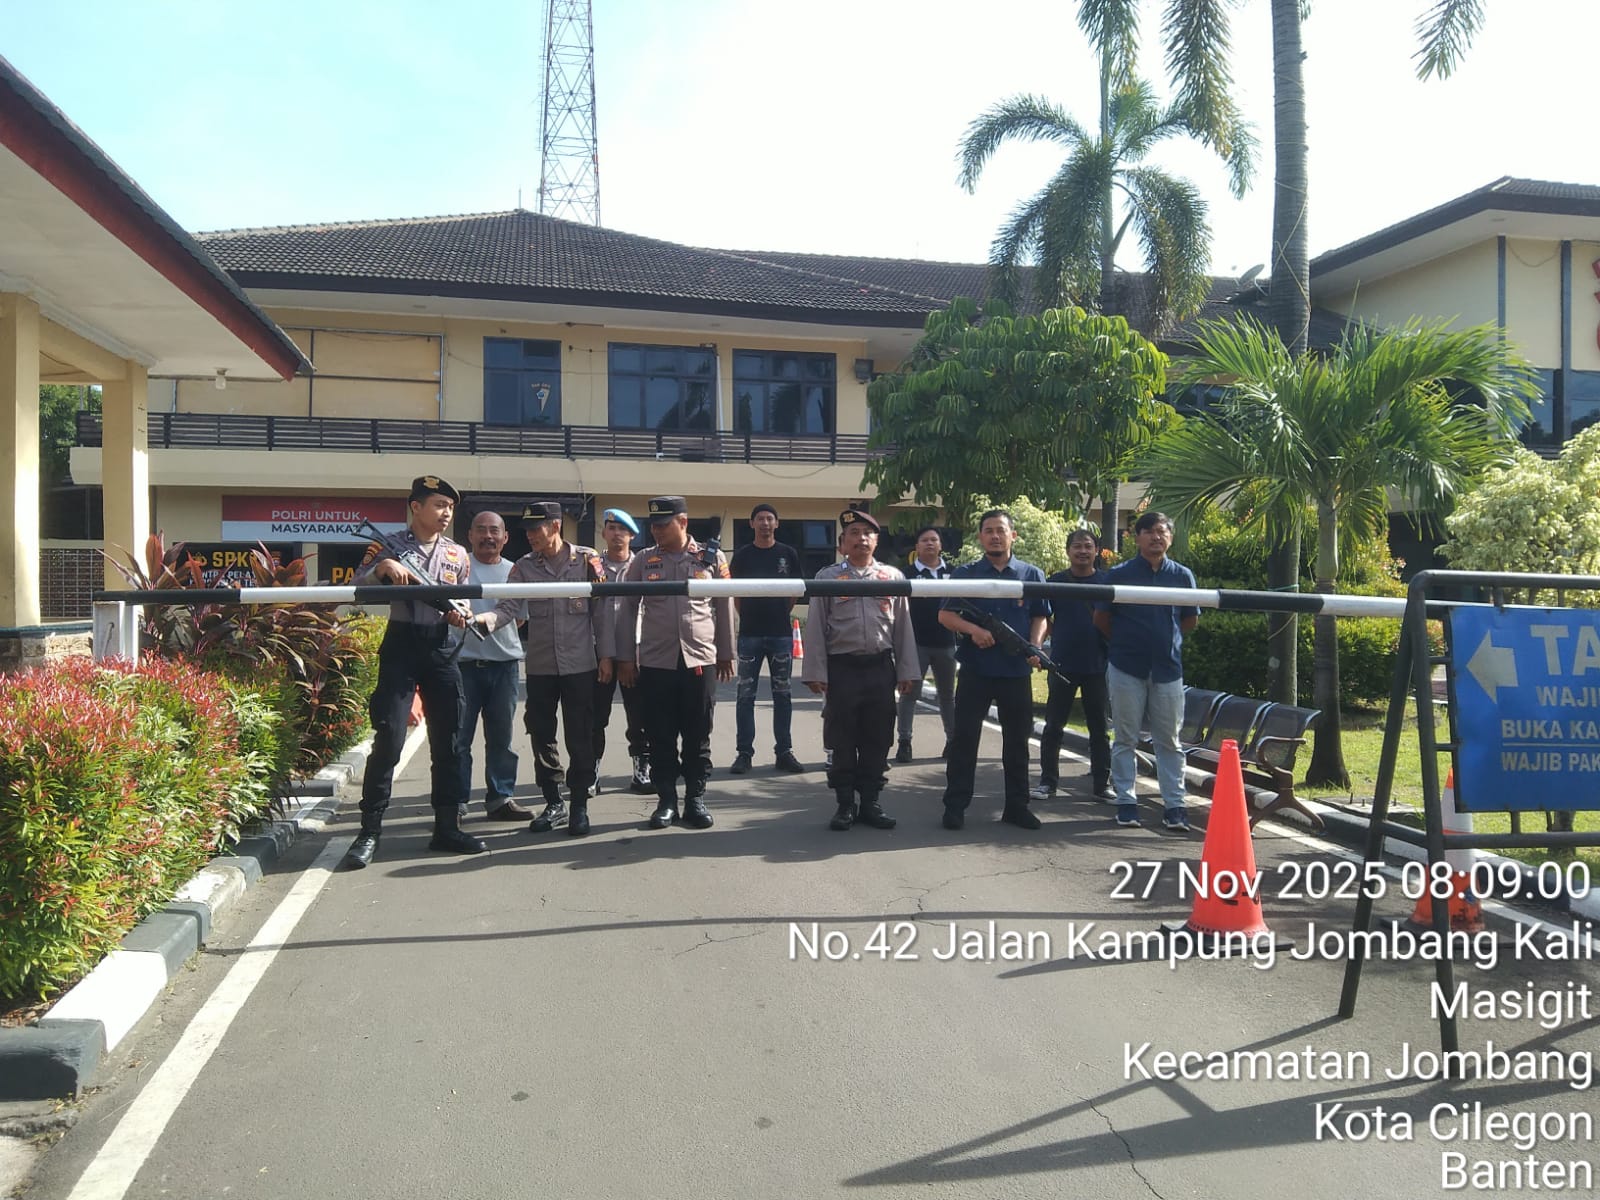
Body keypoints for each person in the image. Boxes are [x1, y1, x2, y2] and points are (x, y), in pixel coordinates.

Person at [343, 474, 484, 869]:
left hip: (441, 646)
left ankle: (447, 826)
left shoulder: (457, 554)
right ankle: (369, 831)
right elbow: (358, 585)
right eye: (439, 505)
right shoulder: (386, 545)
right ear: (416, 507)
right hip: (402, 644)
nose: (446, 513)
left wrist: (462, 612)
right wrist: (382, 569)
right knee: (389, 737)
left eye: (450, 507)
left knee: (450, 740)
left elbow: (464, 598)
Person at [475, 501, 610, 837]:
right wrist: (485, 620)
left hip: (580, 665)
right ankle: (553, 801)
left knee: (580, 736)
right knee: (541, 734)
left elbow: (602, 613)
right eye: (527, 531)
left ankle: (579, 805)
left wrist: (607, 657)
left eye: (537, 529)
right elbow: (508, 607)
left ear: (556, 527)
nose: (531, 536)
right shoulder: (524, 566)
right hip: (540, 667)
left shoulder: (587, 560)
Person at [609, 496, 734, 830]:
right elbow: (627, 608)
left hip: (699, 658)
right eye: (653, 526)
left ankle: (695, 798)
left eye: (663, 525)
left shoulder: (710, 557)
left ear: (683, 522)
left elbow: (724, 604)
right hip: (656, 661)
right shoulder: (644, 560)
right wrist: (626, 658)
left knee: (698, 734)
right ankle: (666, 800)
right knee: (660, 735)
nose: (657, 531)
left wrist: (726, 652)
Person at [802, 508, 920, 831]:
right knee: (841, 737)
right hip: (842, 669)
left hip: (880, 668)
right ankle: (844, 804)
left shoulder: (891, 578)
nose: (861, 539)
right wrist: (815, 672)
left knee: (878, 737)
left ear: (876, 541)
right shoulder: (827, 578)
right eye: (854, 533)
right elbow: (816, 628)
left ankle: (870, 802)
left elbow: (903, 628)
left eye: (867, 533)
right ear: (843, 543)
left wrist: (907, 670)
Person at [937, 509, 1050, 831]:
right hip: (976, 669)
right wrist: (974, 630)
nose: (995, 536)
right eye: (988, 530)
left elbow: (1041, 616)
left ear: (1013, 535)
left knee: (1017, 744)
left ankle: (1017, 807)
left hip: (1015, 672)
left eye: (1001, 530)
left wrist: (1034, 646)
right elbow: (945, 616)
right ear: (980, 537)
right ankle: (955, 806)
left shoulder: (1031, 574)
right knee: (964, 741)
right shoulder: (966, 574)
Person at [1094, 511, 1200, 832]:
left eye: (1162, 531)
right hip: (1126, 668)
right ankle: (1126, 802)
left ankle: (1175, 806)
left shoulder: (1182, 576)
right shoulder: (1119, 574)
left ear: (1170, 537)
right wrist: (1128, 643)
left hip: (1168, 670)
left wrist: (1163, 643)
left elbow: (1190, 620)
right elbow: (1101, 619)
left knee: (1169, 741)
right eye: (1150, 531)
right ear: (1137, 537)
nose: (1157, 537)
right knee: (1125, 737)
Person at [457, 509, 531, 821]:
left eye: (494, 530)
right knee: (458, 739)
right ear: (470, 535)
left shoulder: (515, 571)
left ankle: (500, 799)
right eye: (481, 529)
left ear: (505, 537)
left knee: (501, 739)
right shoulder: (458, 567)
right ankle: (455, 801)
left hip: (504, 666)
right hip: (463, 666)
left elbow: (520, 618)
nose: (488, 536)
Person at [1032, 528, 1114, 803]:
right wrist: (1050, 637)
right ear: (1068, 551)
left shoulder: (1106, 582)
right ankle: (1047, 782)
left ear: (1096, 551)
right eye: (1077, 546)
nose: (1082, 551)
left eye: (1088, 546)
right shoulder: (1056, 582)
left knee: (1099, 729)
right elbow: (1042, 616)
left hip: (1098, 665)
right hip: (1062, 664)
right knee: (1053, 726)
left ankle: (1102, 784)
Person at [728, 503, 806, 775]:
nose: (765, 523)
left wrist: (780, 611)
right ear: (751, 523)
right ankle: (744, 753)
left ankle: (784, 752)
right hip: (750, 635)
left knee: (782, 695)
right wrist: (748, 616)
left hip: (780, 634)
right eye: (759, 518)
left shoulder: (788, 554)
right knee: (745, 696)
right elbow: (735, 594)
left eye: (769, 518)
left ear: (777, 523)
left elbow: (795, 591)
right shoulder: (742, 555)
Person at [591, 507, 652, 795]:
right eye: (612, 528)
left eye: (623, 530)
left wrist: (628, 656)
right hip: (598, 654)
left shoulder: (642, 567)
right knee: (594, 717)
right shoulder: (591, 566)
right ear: (603, 533)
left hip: (635, 655)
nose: (617, 534)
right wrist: (605, 654)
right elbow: (591, 613)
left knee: (640, 717)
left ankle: (642, 771)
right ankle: (591, 772)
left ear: (632, 536)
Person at [896, 525, 956, 762]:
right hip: (915, 644)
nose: (930, 543)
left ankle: (953, 741)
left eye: (934, 540)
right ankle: (904, 742)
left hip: (946, 644)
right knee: (909, 694)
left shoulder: (954, 573)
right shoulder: (906, 574)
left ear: (940, 545)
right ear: (917, 546)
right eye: (924, 540)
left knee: (947, 696)